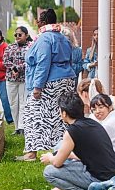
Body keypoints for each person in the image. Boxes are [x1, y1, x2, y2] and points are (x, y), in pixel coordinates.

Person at [21, 92, 115, 190]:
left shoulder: (72, 131)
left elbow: (57, 163)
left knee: (49, 171)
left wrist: (49, 158)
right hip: (111, 174)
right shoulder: (93, 123)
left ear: (64, 113)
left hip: (99, 179)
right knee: (62, 152)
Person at [21, 9, 76, 161]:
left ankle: (31, 153)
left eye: (39, 20)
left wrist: (38, 86)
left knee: (32, 115)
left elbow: (43, 63)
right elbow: (70, 59)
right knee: (61, 116)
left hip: (49, 82)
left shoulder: (45, 38)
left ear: (44, 22)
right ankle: (61, 150)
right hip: (67, 79)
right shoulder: (62, 37)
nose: (37, 22)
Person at [3, 26, 32, 135]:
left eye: (20, 34)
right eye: (16, 35)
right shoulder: (10, 47)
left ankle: (22, 127)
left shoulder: (30, 47)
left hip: (24, 79)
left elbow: (30, 61)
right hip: (11, 79)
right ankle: (16, 127)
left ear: (26, 35)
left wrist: (18, 68)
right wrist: (13, 68)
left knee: (23, 103)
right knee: (13, 103)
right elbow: (5, 61)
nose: (17, 37)